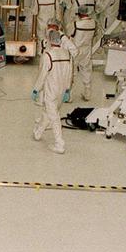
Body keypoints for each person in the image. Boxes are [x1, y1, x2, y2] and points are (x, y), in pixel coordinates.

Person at [33, 23, 77, 154]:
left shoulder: (48, 55)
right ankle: (38, 132)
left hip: (51, 90)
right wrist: (68, 90)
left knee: (54, 116)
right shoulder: (67, 54)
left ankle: (59, 144)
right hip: (62, 90)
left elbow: (42, 75)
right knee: (49, 112)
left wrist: (36, 89)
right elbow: (70, 73)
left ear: (50, 40)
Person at [71, 4, 99, 100]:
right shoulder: (93, 23)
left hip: (76, 50)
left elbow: (71, 35)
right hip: (87, 50)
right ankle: (87, 94)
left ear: (79, 14)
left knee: (72, 72)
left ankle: (69, 96)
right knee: (86, 71)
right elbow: (95, 34)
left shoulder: (76, 24)